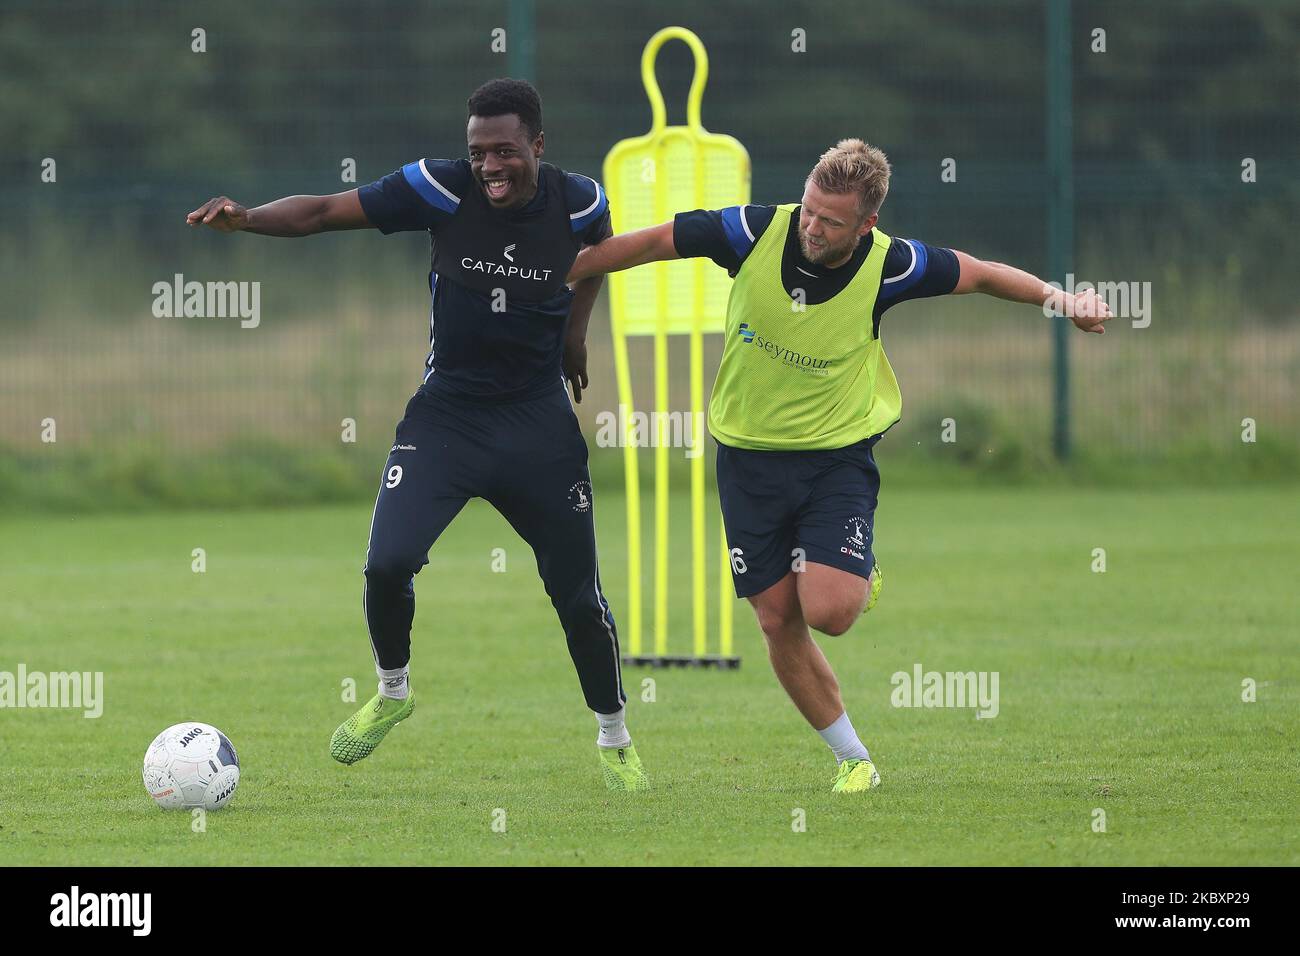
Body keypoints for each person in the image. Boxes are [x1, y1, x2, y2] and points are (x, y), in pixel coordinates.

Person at [566, 138, 1110, 792]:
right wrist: (559, 273)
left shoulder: (895, 265)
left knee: (829, 610)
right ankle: (855, 759)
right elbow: (653, 241)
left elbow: (985, 273)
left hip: (834, 461)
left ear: (867, 223)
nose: (812, 227)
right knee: (775, 619)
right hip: (746, 460)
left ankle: (857, 568)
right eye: (810, 211)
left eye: (831, 220)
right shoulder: (753, 230)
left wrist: (1063, 301)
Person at [186, 78, 647, 791]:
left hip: (538, 427)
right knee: (386, 564)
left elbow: (602, 249)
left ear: (538, 146)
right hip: (447, 418)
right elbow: (320, 213)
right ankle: (393, 692)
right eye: (478, 152)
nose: (490, 166)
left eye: (505, 151)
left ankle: (614, 736)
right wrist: (246, 219)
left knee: (578, 595)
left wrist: (577, 333)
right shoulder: (439, 187)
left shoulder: (579, 198)